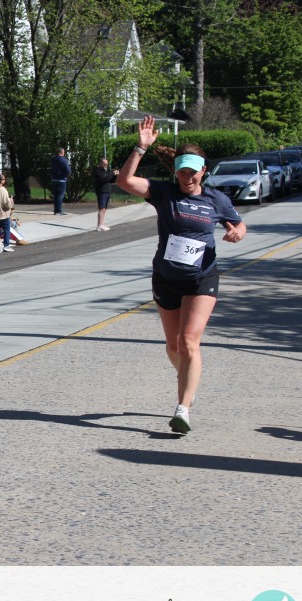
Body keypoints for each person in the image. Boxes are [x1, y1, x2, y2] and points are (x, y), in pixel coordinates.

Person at [116, 115, 247, 434]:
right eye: (183, 172)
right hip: (166, 277)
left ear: (204, 171)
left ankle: (183, 408)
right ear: (175, 171)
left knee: (189, 341)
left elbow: (238, 223)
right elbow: (125, 182)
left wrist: (237, 232)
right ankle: (188, 375)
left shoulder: (216, 199)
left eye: (193, 172)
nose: (188, 177)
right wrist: (140, 148)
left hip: (202, 277)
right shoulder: (164, 193)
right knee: (173, 347)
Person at [92, 158, 118, 231]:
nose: (106, 165)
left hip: (107, 191)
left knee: (104, 209)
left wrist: (115, 175)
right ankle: (99, 225)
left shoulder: (107, 171)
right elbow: (103, 179)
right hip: (101, 191)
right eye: (105, 164)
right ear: (100, 163)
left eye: (107, 164)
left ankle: (101, 224)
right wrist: (111, 174)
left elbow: (111, 180)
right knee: (101, 208)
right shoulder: (97, 171)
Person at [50, 147, 71, 215]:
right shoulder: (64, 160)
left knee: (56, 195)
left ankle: (56, 209)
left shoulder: (53, 159)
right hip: (61, 179)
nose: (64, 153)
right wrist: (67, 175)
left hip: (54, 179)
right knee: (60, 195)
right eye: (64, 152)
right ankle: (58, 211)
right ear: (61, 152)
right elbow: (68, 170)